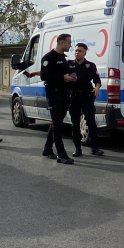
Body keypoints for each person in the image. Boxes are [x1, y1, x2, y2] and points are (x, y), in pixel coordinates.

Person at [40, 33, 76, 164]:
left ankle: (47, 149)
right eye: (68, 42)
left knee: (57, 123)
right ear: (61, 42)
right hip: (54, 94)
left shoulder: (64, 58)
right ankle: (61, 154)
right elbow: (44, 76)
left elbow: (65, 74)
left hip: (65, 94)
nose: (70, 45)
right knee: (57, 124)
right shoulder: (48, 58)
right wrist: (62, 77)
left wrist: (71, 78)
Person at [67, 42, 104, 157]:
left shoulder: (90, 66)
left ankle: (95, 148)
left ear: (85, 52)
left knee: (91, 123)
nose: (77, 53)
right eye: (76, 51)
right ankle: (78, 149)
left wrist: (97, 88)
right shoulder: (69, 65)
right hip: (74, 97)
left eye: (80, 51)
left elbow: (97, 80)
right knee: (75, 124)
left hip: (87, 97)